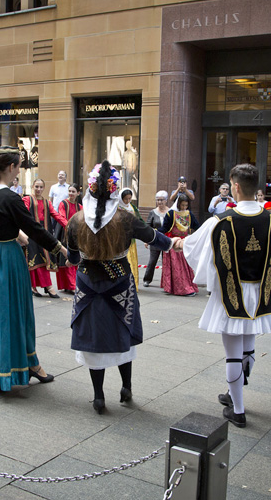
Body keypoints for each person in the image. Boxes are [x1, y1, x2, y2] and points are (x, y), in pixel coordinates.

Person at [183, 163, 271, 428]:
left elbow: (196, 251)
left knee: (233, 353)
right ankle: (234, 395)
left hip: (230, 294)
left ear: (234, 186)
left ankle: (239, 409)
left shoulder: (220, 221)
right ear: (256, 187)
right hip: (260, 293)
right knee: (249, 346)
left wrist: (177, 243)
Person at [66, 161, 175, 414]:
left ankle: (98, 397)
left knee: (93, 339)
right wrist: (174, 244)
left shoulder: (76, 220)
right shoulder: (125, 219)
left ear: (90, 190)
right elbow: (152, 237)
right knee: (123, 334)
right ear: (115, 191)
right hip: (120, 286)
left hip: (87, 286)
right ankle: (126, 387)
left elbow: (72, 259)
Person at [0, 146, 67, 394]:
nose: (19, 172)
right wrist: (60, 249)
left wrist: (18, 235)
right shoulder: (10, 197)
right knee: (13, 313)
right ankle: (22, 366)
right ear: (11, 167)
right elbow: (35, 228)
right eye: (19, 167)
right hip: (7, 259)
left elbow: (0, 226)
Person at [23, 178, 68, 298]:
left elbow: (56, 215)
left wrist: (68, 225)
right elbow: (24, 214)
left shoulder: (47, 202)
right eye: (36, 186)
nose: (38, 189)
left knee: (45, 258)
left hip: (44, 232)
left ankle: (46, 285)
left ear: (44, 188)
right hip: (32, 233)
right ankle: (38, 286)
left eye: (41, 187)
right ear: (33, 186)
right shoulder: (27, 200)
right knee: (34, 258)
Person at [159, 194, 199, 296]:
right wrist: (153, 235)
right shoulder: (171, 214)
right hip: (174, 243)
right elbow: (164, 228)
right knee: (177, 268)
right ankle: (181, 288)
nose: (184, 207)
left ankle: (185, 286)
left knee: (185, 266)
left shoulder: (189, 214)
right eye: (182, 205)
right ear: (178, 204)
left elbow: (197, 226)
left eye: (186, 205)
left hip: (184, 242)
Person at [53, 183, 82, 293]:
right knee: (66, 258)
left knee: (75, 258)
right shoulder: (63, 204)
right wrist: (70, 228)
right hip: (65, 234)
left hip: (76, 235)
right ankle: (70, 285)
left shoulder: (80, 207)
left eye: (73, 191)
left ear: (78, 193)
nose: (71, 193)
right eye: (69, 191)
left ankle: (73, 284)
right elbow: (62, 217)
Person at [119, 188, 144, 289]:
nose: (128, 201)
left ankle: (132, 284)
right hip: (120, 238)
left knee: (131, 261)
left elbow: (139, 220)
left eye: (129, 199)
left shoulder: (132, 207)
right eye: (125, 199)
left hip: (130, 238)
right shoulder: (117, 207)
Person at [144, 191, 170, 287]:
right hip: (155, 240)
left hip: (167, 240)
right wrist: (147, 240)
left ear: (166, 200)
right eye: (158, 200)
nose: (160, 202)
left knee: (167, 263)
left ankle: (166, 282)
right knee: (152, 261)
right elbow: (148, 226)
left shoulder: (170, 212)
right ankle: (147, 279)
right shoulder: (153, 212)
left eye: (162, 200)